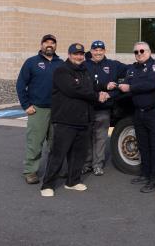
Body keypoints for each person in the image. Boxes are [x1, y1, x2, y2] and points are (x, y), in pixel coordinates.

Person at [40, 43, 109, 197]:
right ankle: (47, 184)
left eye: (81, 54)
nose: (79, 57)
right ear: (69, 54)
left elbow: (93, 86)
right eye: (76, 54)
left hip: (83, 120)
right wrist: (97, 96)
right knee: (58, 154)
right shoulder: (61, 71)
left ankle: (72, 181)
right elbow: (73, 90)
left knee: (78, 154)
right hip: (66, 120)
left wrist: (105, 88)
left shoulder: (85, 70)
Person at [118, 42, 155, 193]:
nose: (139, 53)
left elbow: (150, 84)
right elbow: (126, 83)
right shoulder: (132, 68)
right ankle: (145, 174)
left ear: (149, 51)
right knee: (143, 146)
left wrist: (132, 87)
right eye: (136, 52)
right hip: (138, 112)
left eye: (142, 51)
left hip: (154, 112)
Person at [16, 34, 63, 185]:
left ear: (55, 46)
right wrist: (26, 105)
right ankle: (30, 171)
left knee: (55, 143)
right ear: (41, 44)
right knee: (35, 143)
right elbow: (20, 84)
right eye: (46, 42)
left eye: (52, 43)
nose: (49, 45)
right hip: (38, 110)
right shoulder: (32, 62)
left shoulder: (60, 63)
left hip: (57, 110)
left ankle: (54, 170)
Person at [82, 40, 127, 176]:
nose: (98, 52)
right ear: (91, 51)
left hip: (103, 109)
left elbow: (131, 70)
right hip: (87, 108)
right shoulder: (83, 66)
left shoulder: (113, 65)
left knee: (100, 138)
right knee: (86, 137)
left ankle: (98, 164)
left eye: (100, 50)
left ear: (104, 51)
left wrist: (110, 94)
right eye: (95, 50)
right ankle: (86, 164)